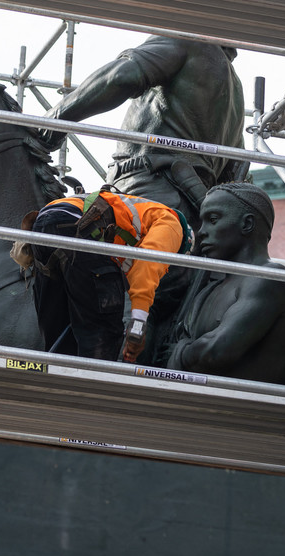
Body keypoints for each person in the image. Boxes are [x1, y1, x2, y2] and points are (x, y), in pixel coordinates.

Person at [39, 35, 247, 364]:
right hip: (190, 209)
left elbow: (122, 76)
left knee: (92, 274)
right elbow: (235, 171)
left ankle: (94, 365)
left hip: (148, 191)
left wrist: (50, 121)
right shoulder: (235, 88)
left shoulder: (189, 41)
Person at [166, 183, 285, 384]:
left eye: (213, 220)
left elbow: (216, 351)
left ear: (247, 224)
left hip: (246, 408)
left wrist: (179, 352)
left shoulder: (270, 278)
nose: (202, 232)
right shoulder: (211, 289)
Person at [29, 187, 186, 362]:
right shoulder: (172, 223)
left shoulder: (134, 216)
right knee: (103, 330)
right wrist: (138, 324)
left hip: (44, 225)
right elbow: (148, 262)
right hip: (77, 227)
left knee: (63, 334)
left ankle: (59, 382)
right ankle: (92, 384)